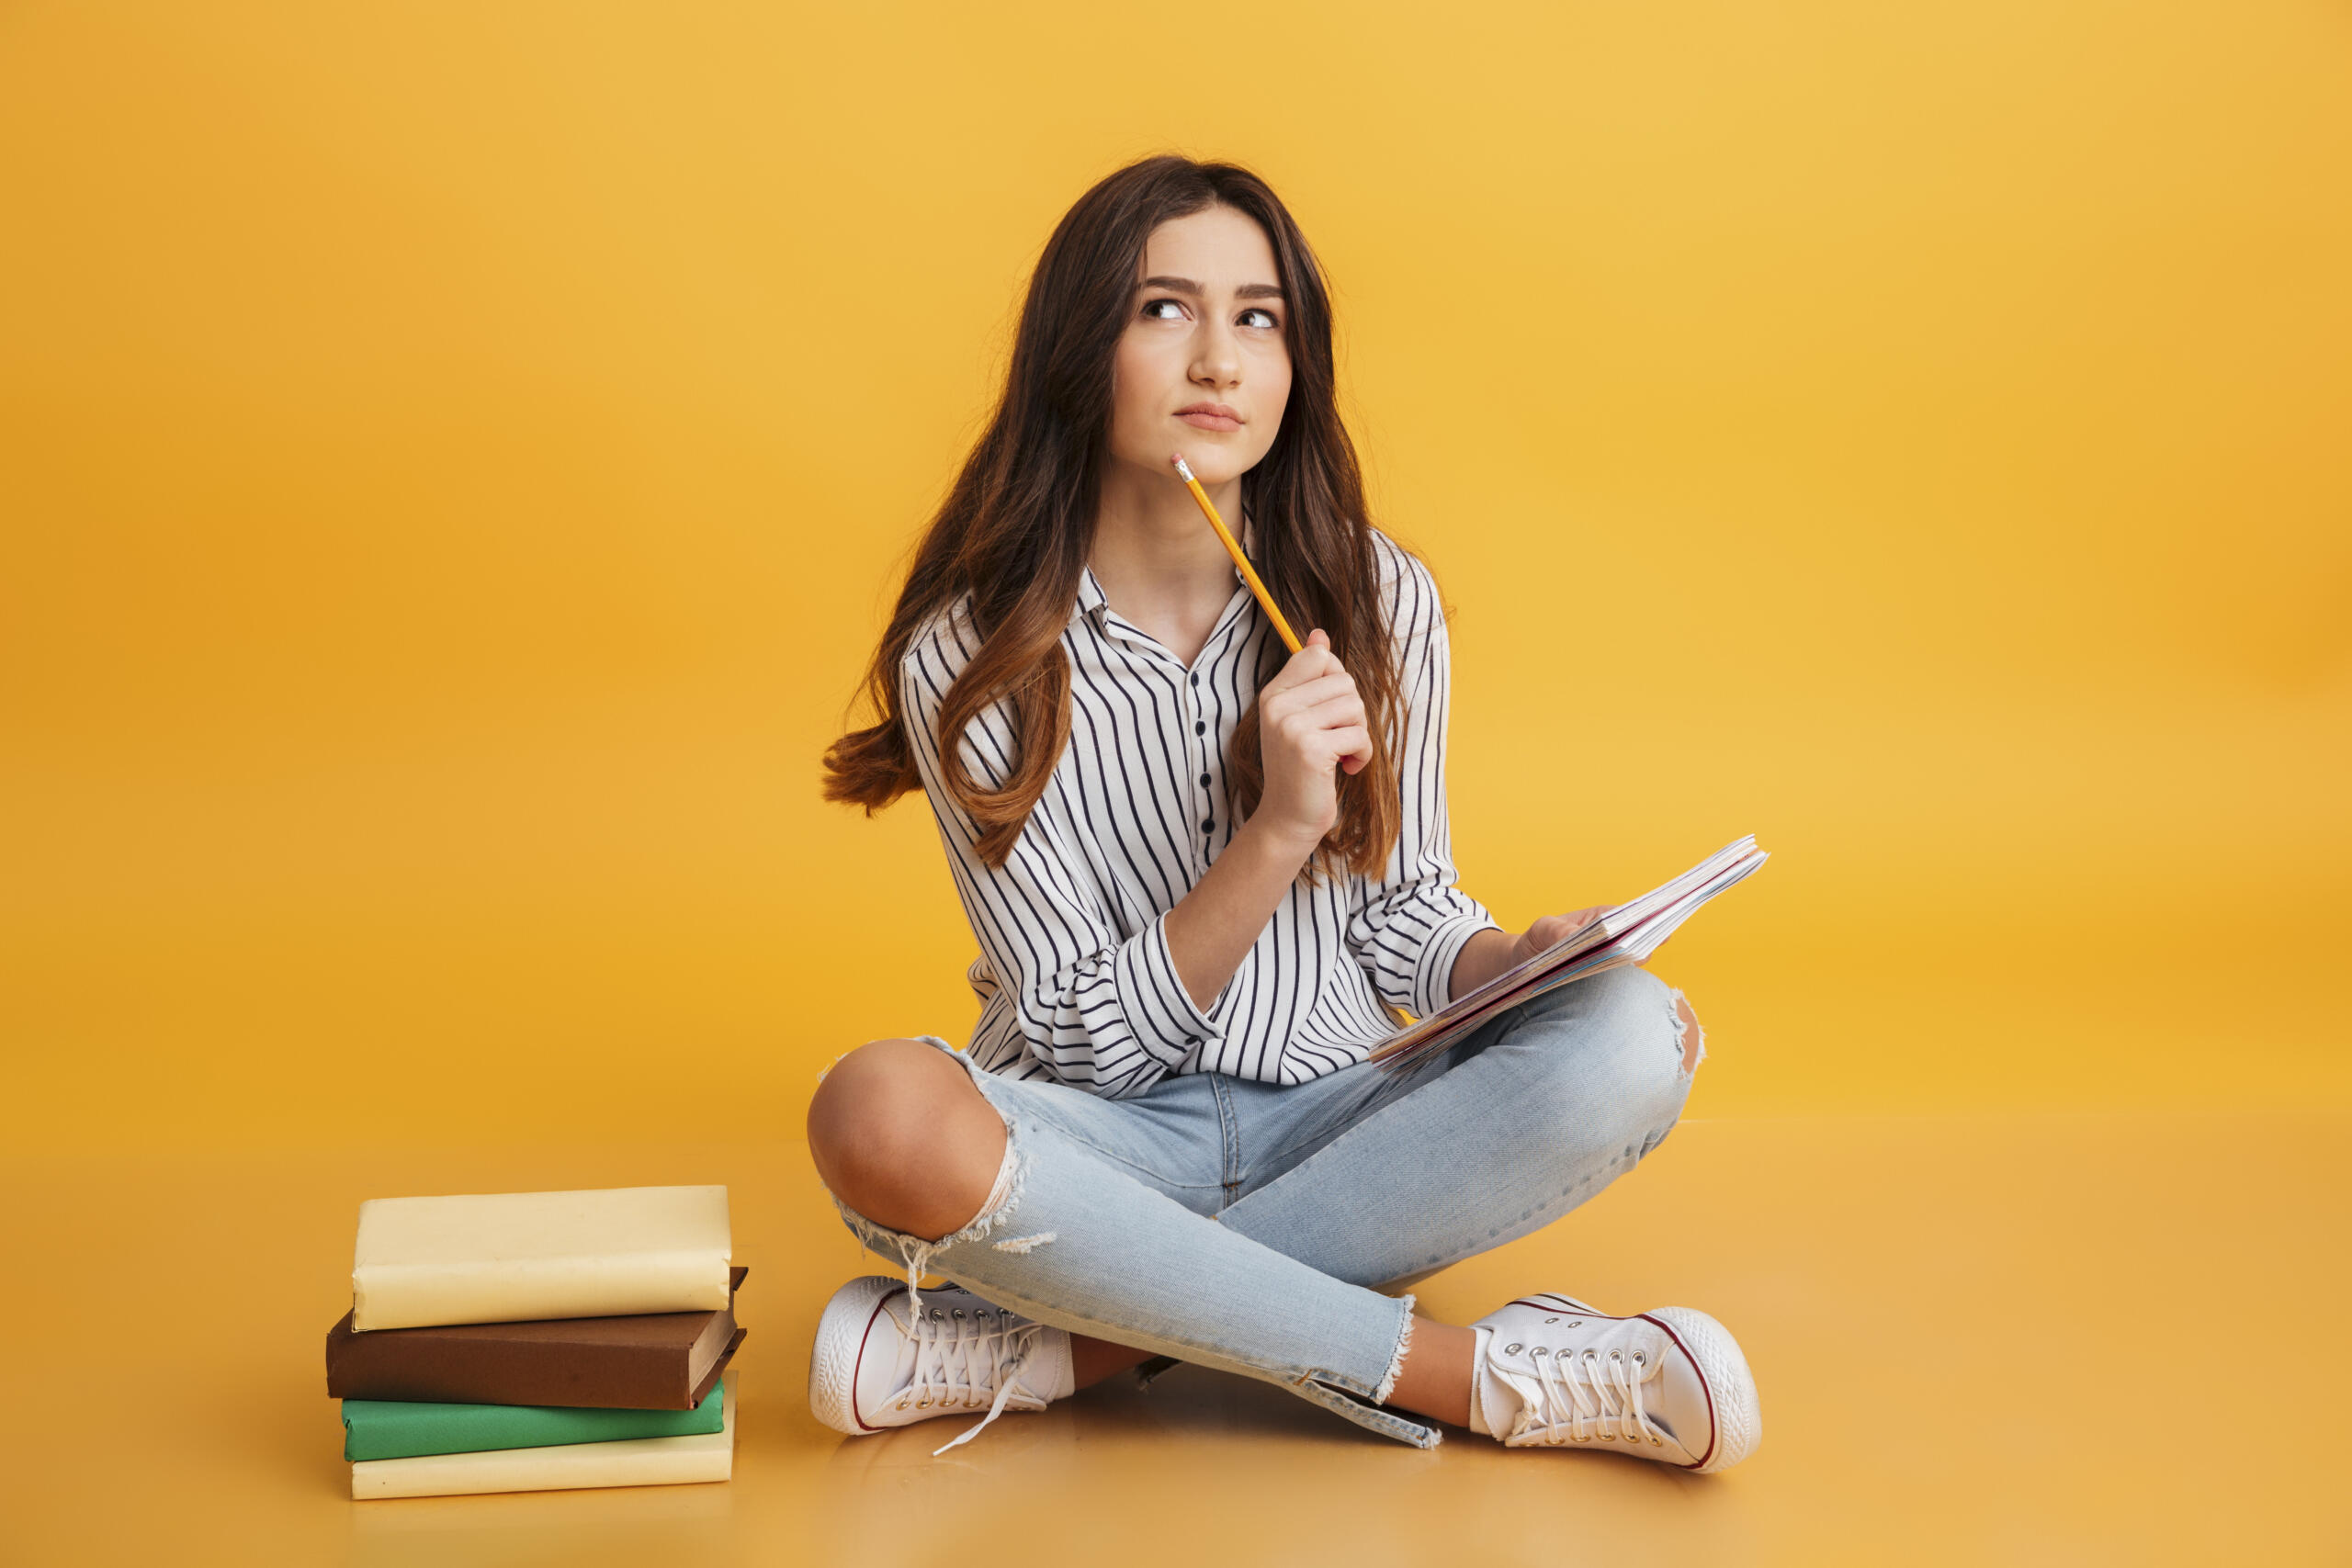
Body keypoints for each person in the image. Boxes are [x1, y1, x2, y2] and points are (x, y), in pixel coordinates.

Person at [804, 154, 1759, 1470]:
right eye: (1165, 310)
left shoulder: (1378, 600)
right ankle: (1473, 1378)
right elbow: (1084, 1039)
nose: (1219, 361)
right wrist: (1274, 835)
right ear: (1080, 348)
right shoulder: (970, 657)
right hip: (1098, 1148)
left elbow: (1406, 918)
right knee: (875, 1111)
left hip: (1343, 1118)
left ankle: (1070, 1343)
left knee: (1638, 1035)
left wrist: (1512, 964)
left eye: (1258, 320)